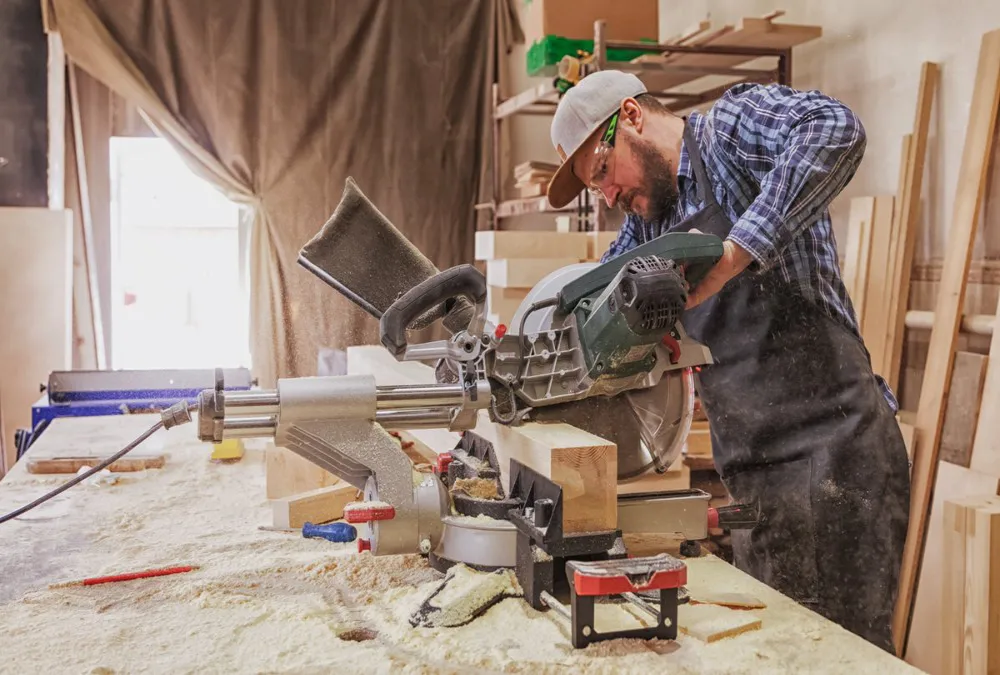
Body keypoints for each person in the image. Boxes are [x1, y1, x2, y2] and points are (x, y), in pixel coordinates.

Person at [545, 70, 911, 653]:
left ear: (632, 118)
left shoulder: (729, 131)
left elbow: (836, 128)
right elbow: (591, 300)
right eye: (598, 189)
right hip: (753, 473)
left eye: (601, 173)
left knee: (846, 656)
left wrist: (737, 251)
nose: (608, 197)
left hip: (836, 452)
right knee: (775, 653)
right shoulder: (649, 225)